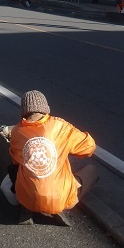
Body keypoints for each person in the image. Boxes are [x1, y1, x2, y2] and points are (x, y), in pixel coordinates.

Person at [9, 90, 98, 226]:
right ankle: (59, 207)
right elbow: (89, 147)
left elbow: (15, 159)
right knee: (91, 170)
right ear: (45, 109)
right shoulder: (60, 126)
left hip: (26, 197)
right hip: (59, 199)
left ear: (24, 111)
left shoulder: (16, 131)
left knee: (16, 168)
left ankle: (27, 208)